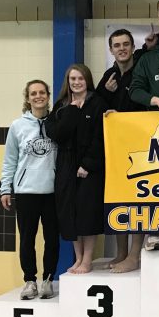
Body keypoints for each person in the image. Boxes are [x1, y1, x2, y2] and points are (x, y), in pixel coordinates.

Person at [46, 64, 108, 274]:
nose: (76, 82)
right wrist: (72, 109)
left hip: (89, 166)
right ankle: (78, 257)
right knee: (69, 212)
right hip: (65, 164)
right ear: (68, 81)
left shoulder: (97, 103)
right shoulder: (62, 105)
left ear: (87, 80)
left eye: (80, 78)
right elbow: (56, 133)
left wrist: (88, 164)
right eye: (73, 79)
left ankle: (88, 258)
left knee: (86, 213)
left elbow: (100, 137)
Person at [0, 80, 59, 300]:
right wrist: (5, 188)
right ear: (28, 97)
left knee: (52, 238)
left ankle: (48, 280)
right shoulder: (18, 126)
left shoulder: (56, 121)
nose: (38, 96)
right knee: (27, 239)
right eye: (33, 93)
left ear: (48, 95)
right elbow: (9, 160)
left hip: (52, 192)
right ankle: (30, 281)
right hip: (26, 192)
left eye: (42, 92)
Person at [96, 29, 146, 272]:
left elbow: (146, 101)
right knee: (119, 199)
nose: (122, 48)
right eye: (117, 45)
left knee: (137, 200)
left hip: (139, 145)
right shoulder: (109, 76)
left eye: (126, 44)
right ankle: (121, 252)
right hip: (116, 149)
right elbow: (97, 107)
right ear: (111, 49)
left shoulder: (142, 69)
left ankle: (135, 255)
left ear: (133, 47)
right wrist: (107, 92)